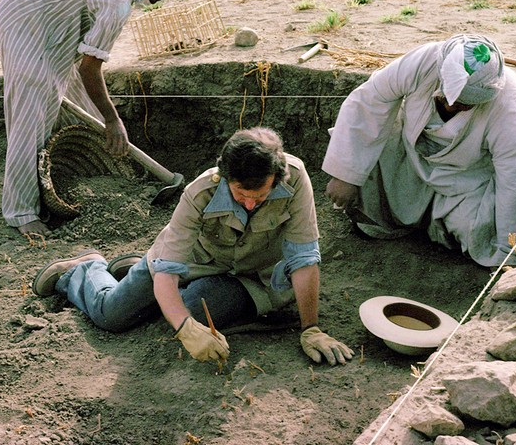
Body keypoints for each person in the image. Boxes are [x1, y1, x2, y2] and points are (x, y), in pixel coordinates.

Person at [31, 127, 355, 367]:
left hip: (250, 277)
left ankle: (140, 279)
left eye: (261, 195)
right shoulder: (200, 191)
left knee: (194, 310)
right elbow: (168, 267)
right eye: (242, 194)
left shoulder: (295, 180)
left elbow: (303, 257)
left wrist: (311, 328)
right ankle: (85, 269)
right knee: (113, 314)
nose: (251, 203)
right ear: (225, 176)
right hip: (193, 262)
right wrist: (185, 329)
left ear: (277, 177)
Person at [0, 0, 195, 235]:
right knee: (32, 107)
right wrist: (113, 120)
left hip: (52, 14)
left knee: (72, 93)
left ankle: (86, 175)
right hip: (25, 16)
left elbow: (82, 68)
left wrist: (107, 120)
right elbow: (90, 68)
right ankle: (22, 212)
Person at [322, 34, 516, 267]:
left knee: (480, 235)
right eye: (448, 96)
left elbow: (515, 173)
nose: (451, 106)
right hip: (408, 156)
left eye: (464, 104)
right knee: (366, 168)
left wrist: (510, 253)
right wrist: (345, 174)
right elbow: (370, 99)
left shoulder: (507, 100)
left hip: (463, 180)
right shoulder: (426, 59)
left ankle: (440, 226)